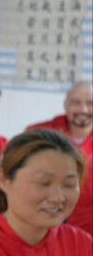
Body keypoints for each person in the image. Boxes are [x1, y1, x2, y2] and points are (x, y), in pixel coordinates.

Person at [25, 81, 93, 235]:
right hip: (40, 227)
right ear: (65, 104)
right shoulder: (38, 133)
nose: (83, 109)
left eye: (90, 103)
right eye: (76, 102)